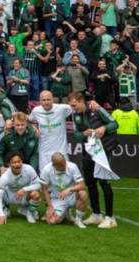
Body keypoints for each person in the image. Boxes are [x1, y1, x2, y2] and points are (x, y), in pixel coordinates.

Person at [69, 92, 119, 229]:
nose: (73, 108)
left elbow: (115, 124)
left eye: (75, 105)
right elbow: (76, 135)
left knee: (104, 182)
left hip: (103, 151)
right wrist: (83, 134)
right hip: (88, 151)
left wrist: (104, 128)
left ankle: (110, 217)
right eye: (71, 106)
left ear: (81, 101)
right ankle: (97, 214)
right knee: (90, 182)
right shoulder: (75, 115)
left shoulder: (97, 109)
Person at [40, 152, 88, 228]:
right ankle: (65, 212)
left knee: (83, 193)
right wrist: (50, 207)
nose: (64, 166)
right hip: (57, 198)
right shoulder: (46, 170)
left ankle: (78, 220)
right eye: (61, 166)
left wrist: (69, 189)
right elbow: (44, 189)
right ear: (54, 165)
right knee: (52, 221)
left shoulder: (72, 166)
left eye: (64, 163)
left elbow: (82, 185)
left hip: (72, 196)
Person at [0, 152, 41, 224]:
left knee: (36, 194)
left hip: (24, 195)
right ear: (9, 164)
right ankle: (4, 210)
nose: (17, 164)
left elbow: (39, 185)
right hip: (10, 197)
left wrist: (24, 189)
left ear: (22, 161)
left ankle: (29, 213)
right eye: (14, 162)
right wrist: (1, 215)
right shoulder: (5, 177)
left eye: (19, 161)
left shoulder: (29, 169)